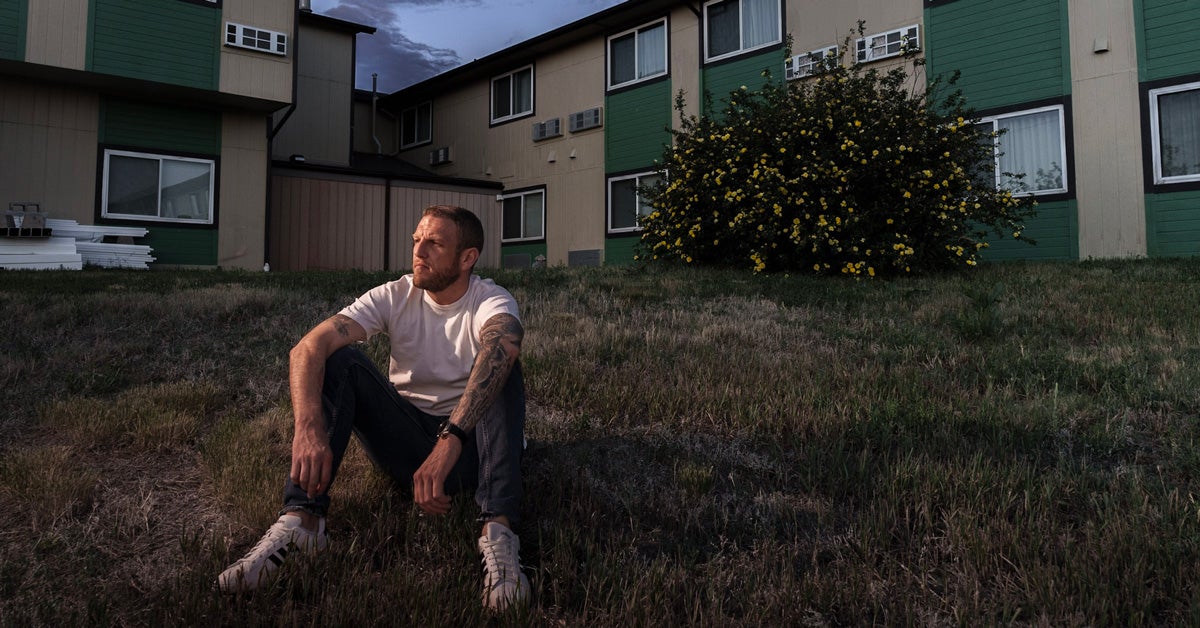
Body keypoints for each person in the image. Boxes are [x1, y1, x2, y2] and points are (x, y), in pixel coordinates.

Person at [217, 205, 530, 611]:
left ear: (467, 257)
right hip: (409, 445)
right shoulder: (395, 294)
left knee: (502, 361)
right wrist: (308, 427)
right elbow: (307, 348)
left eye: (434, 243)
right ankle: (302, 523)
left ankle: (499, 534)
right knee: (338, 360)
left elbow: (504, 341)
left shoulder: (489, 299)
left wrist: (451, 441)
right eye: (417, 240)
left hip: (475, 452)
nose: (419, 251)